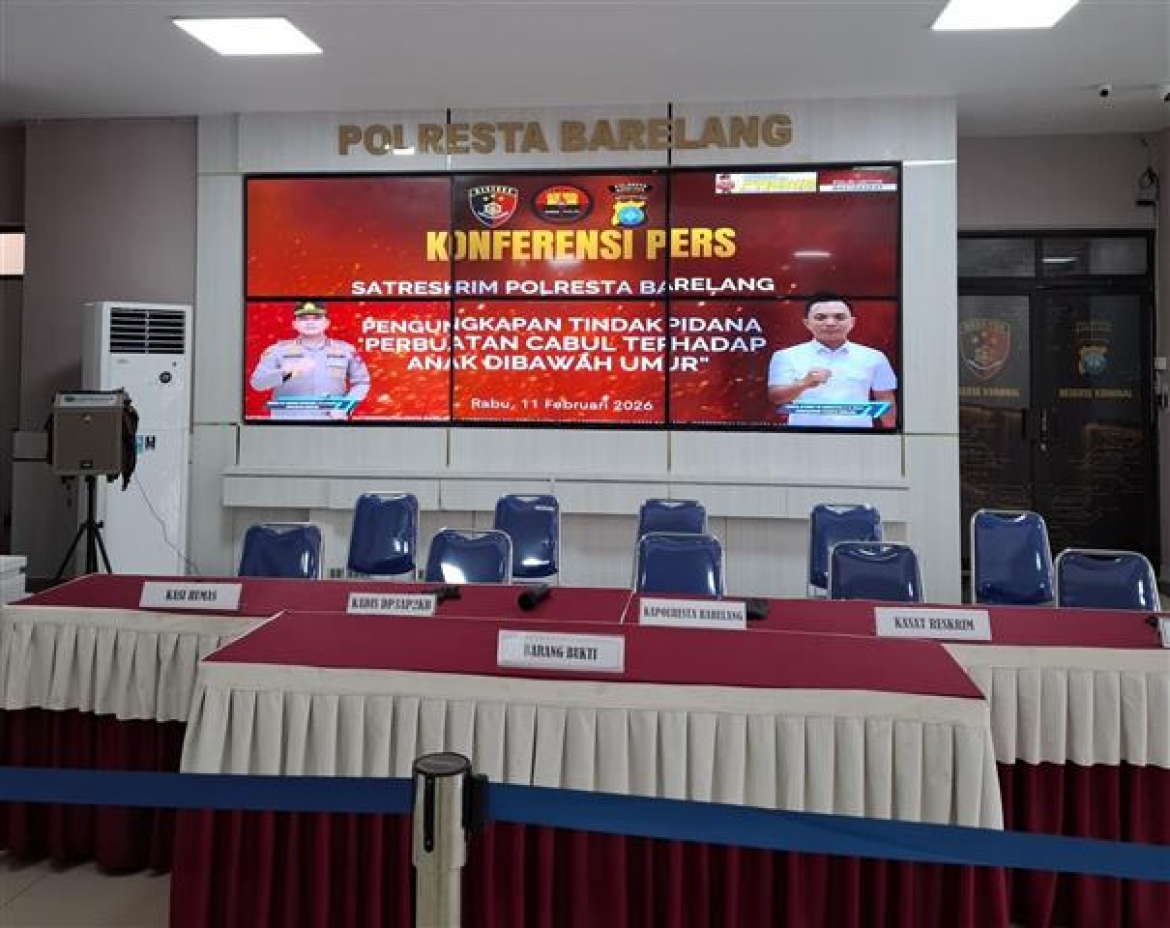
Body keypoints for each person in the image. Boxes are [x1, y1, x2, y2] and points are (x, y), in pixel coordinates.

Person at [767, 294, 897, 428]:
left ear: (852, 322)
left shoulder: (874, 357)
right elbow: (776, 397)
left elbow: (885, 398)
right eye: (820, 317)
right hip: (803, 437)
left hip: (858, 437)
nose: (830, 323)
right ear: (807, 323)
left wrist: (892, 434)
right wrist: (804, 383)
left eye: (839, 317)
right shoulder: (786, 356)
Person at [249, 301, 370, 420]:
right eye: (303, 319)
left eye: (316, 318)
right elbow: (257, 384)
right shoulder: (277, 351)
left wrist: (345, 407)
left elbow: (362, 382)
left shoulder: (346, 350)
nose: (310, 323)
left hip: (331, 421)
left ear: (327, 323)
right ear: (294, 324)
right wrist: (288, 372)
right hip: (288, 423)